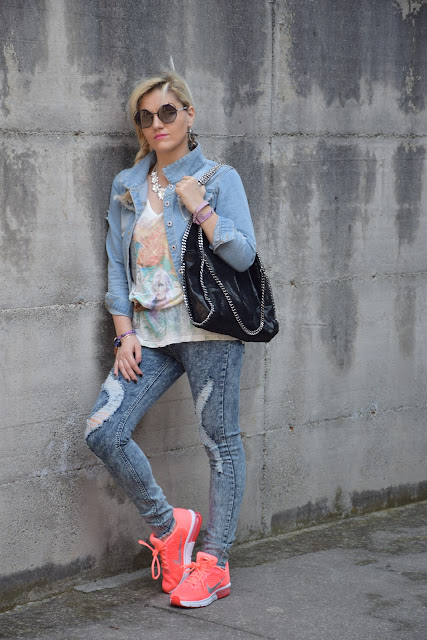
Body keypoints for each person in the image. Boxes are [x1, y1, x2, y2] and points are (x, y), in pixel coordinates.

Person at [85, 71, 256, 608]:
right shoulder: (127, 185)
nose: (157, 123)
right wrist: (124, 335)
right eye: (146, 116)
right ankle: (171, 526)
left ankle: (215, 563)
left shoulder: (218, 177)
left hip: (209, 333)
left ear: (189, 113)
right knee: (103, 431)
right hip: (151, 338)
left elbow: (244, 256)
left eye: (167, 112)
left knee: (220, 443)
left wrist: (201, 208)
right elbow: (117, 268)